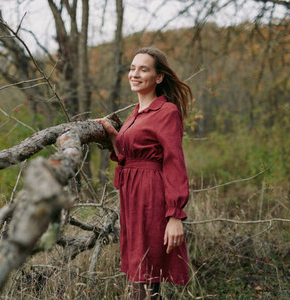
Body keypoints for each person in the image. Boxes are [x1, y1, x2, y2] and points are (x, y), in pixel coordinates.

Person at [96, 47, 192, 299]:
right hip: (132, 195)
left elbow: (174, 162)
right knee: (137, 266)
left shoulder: (167, 111)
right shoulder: (134, 115)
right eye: (132, 68)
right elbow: (131, 154)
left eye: (143, 69)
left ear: (159, 77)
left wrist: (175, 216)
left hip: (151, 195)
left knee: (146, 267)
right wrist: (112, 135)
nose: (135, 74)